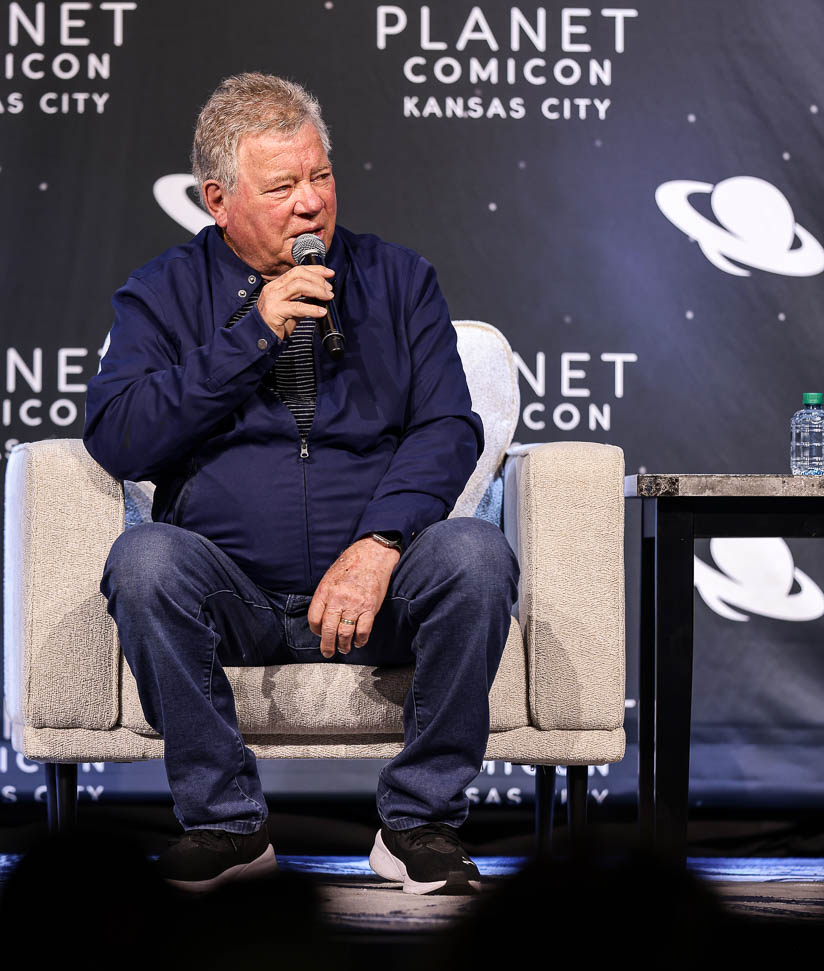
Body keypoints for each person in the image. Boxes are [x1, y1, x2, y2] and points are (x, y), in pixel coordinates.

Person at [84, 73, 518, 895]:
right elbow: (118, 434)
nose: (312, 204)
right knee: (144, 563)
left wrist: (379, 542)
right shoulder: (163, 292)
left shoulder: (398, 279)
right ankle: (226, 827)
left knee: (475, 555)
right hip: (235, 593)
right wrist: (250, 337)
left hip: (380, 591)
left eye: (320, 176)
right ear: (218, 199)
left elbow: (447, 427)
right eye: (282, 187)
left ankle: (419, 824)